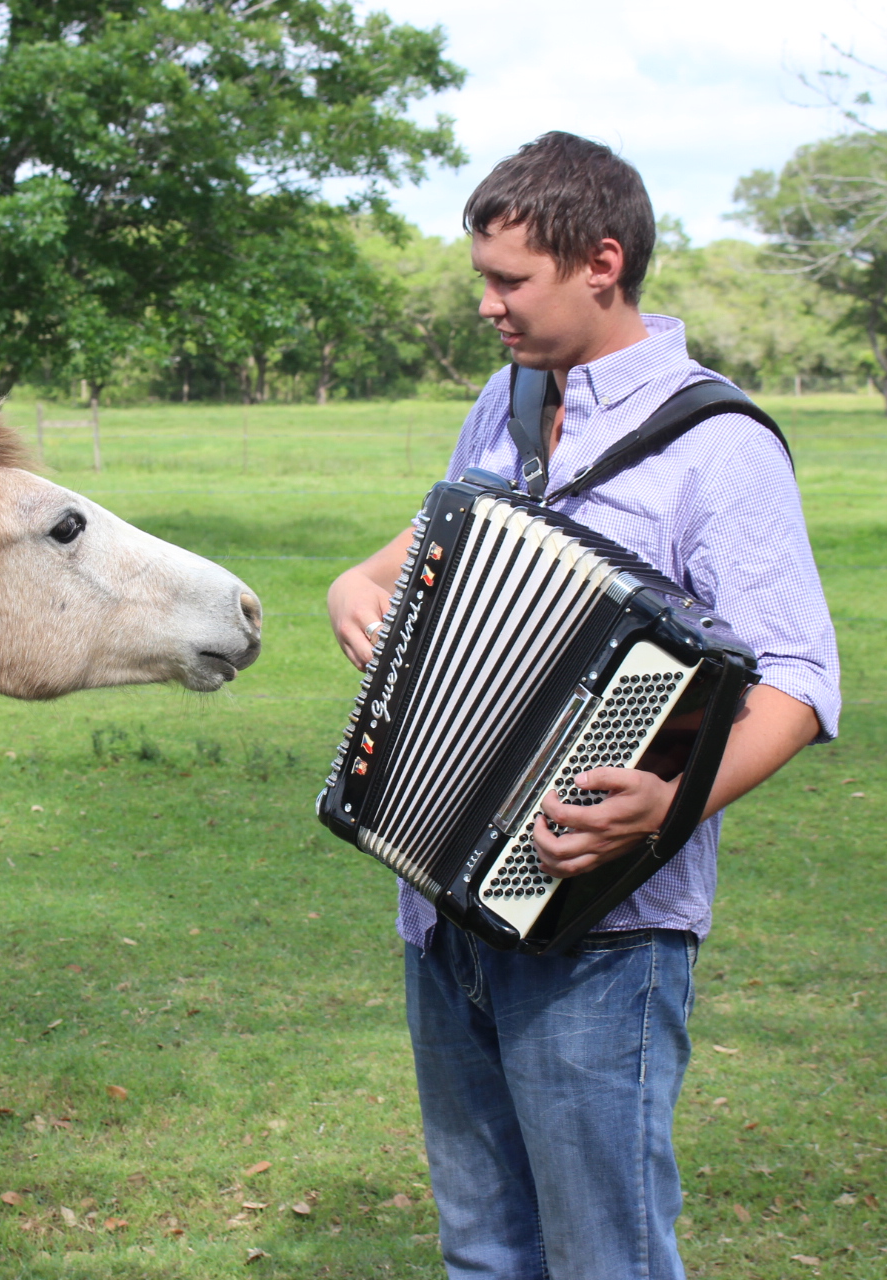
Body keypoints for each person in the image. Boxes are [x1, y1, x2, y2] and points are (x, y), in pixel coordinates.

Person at [325, 132, 841, 1279]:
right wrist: (350, 587)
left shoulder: (717, 445)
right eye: (484, 278)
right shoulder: (504, 410)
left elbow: (800, 680)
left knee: (606, 1257)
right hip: (443, 907)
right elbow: (421, 552)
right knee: (485, 1253)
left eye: (510, 280)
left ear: (601, 262)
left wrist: (668, 801)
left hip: (605, 932)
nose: (488, 305)